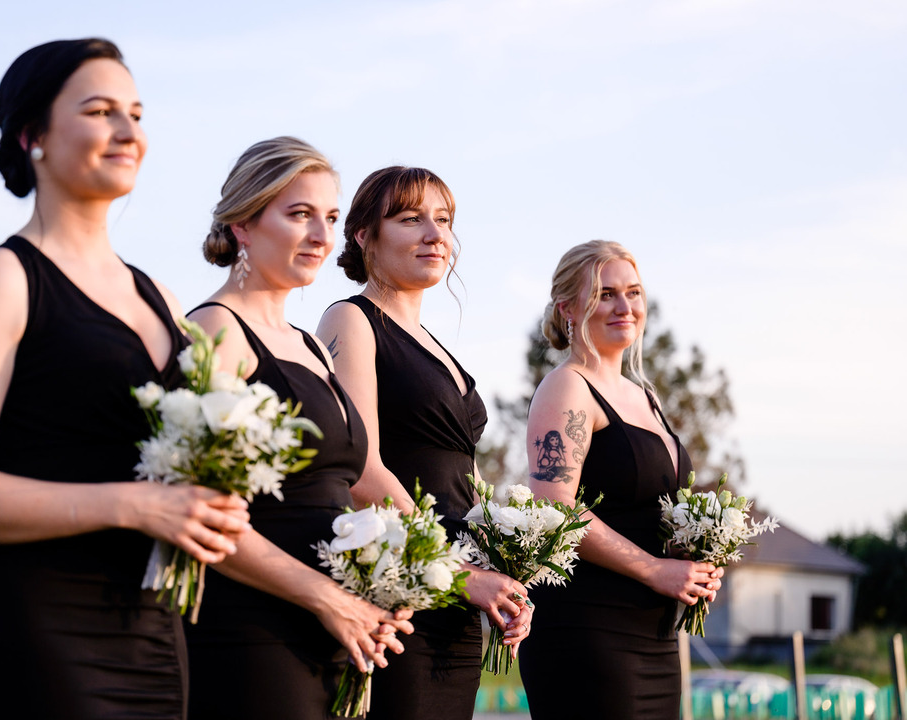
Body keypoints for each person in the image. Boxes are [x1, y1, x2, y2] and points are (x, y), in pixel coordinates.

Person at [0, 39, 250, 720]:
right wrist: (137, 506)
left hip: (153, 629)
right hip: (32, 627)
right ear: (32, 135)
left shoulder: (158, 294)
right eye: (100, 112)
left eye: (137, 113)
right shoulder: (1, 279)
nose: (129, 132)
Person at [182, 137, 415, 720]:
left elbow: (354, 481)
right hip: (253, 634)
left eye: (331, 218)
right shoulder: (215, 331)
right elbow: (202, 511)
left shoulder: (310, 344)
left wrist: (404, 574)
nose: (321, 236)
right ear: (243, 223)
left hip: (335, 632)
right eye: (299, 214)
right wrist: (327, 599)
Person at [316, 166, 532, 720]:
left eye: (443, 220)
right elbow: (361, 468)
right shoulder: (351, 319)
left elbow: (461, 473)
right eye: (411, 219)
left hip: (458, 594)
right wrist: (458, 570)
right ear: (364, 235)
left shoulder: (437, 345)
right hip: (399, 587)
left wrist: (510, 562)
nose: (435, 235)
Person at [517, 240, 724, 719]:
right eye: (605, 294)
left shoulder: (644, 396)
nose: (624, 306)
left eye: (633, 292)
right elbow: (553, 504)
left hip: (653, 631)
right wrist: (654, 569)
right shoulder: (568, 386)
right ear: (568, 308)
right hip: (589, 629)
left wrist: (689, 556)